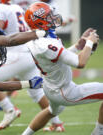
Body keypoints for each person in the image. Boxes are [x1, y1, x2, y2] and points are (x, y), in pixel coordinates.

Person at [0, 0, 64, 131]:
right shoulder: (16, 7)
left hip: (14, 54)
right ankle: (57, 124)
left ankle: (9, 109)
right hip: (29, 54)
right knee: (38, 93)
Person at [21, 2, 100, 135]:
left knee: (51, 112)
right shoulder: (46, 44)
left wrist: (79, 45)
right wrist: (90, 42)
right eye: (48, 16)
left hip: (50, 86)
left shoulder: (40, 38)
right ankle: (99, 132)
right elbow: (80, 63)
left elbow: (59, 57)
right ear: (40, 22)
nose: (53, 17)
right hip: (64, 91)